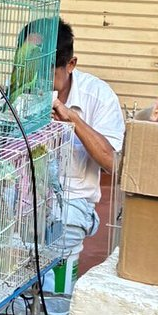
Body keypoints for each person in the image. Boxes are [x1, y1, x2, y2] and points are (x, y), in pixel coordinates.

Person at [51, 20, 125, 267]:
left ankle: (56, 301)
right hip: (21, 201)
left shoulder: (99, 96)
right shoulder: (15, 91)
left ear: (70, 65)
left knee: (59, 243)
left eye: (48, 72)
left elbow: (114, 164)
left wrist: (74, 120)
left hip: (72, 202)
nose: (37, 80)